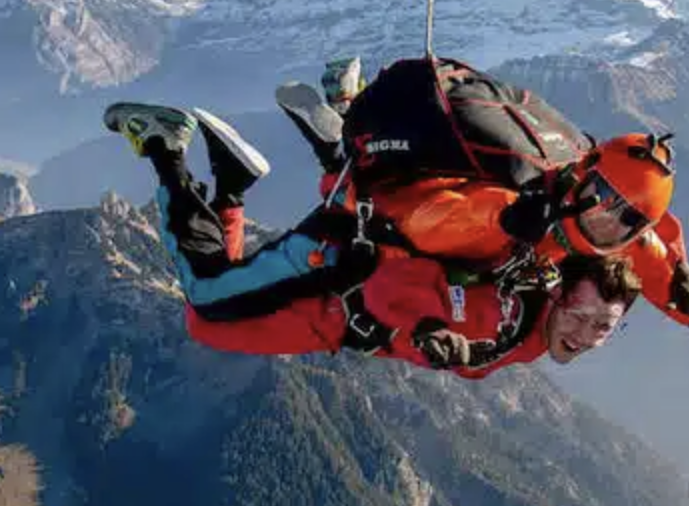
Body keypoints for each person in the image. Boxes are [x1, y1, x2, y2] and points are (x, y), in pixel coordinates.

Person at [273, 61, 689, 393]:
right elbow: (412, 220)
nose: (607, 219)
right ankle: (342, 135)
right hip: (424, 216)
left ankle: (350, 119)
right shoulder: (523, 202)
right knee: (366, 208)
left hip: (475, 241)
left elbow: (675, 289)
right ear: (585, 179)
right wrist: (504, 223)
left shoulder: (624, 237)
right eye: (603, 202)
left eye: (627, 219)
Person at [103, 101, 638, 377]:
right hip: (333, 287)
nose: (587, 334)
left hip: (344, 281)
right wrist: (432, 339)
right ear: (560, 296)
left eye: (604, 328)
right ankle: (164, 145)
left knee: (210, 317)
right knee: (204, 301)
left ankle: (233, 183)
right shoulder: (509, 319)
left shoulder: (532, 287)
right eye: (583, 316)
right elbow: (402, 294)